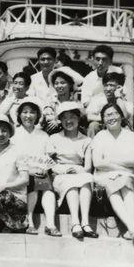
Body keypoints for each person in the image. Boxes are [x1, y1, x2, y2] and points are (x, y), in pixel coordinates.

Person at [91, 102, 134, 242]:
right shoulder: (100, 136)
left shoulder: (131, 136)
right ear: (103, 119)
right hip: (104, 175)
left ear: (121, 116)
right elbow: (98, 163)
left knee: (125, 183)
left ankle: (131, 229)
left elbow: (133, 160)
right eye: (107, 115)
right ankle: (133, 228)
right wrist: (122, 164)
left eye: (115, 113)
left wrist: (109, 161)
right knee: (113, 185)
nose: (111, 117)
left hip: (127, 175)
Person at [12, 97, 61, 237]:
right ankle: (30, 222)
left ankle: (50, 224)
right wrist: (28, 170)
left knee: (47, 189)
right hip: (20, 172)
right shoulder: (14, 134)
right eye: (25, 112)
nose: (28, 116)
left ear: (37, 115)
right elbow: (11, 158)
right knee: (32, 182)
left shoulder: (43, 135)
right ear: (19, 115)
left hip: (41, 172)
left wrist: (45, 168)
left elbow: (50, 157)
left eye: (32, 112)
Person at [50, 102, 97, 239]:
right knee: (71, 183)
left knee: (87, 179)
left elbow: (88, 167)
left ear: (78, 118)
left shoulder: (86, 140)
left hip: (80, 172)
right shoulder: (54, 138)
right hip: (60, 173)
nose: (68, 121)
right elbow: (50, 163)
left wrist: (77, 170)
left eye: (72, 117)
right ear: (60, 120)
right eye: (64, 118)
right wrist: (63, 170)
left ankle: (85, 223)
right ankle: (75, 223)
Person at [86, 71, 133, 138]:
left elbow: (125, 117)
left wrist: (118, 97)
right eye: (106, 85)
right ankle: (91, 144)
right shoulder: (97, 99)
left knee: (127, 128)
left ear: (119, 87)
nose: (107, 89)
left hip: (118, 128)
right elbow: (89, 116)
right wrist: (108, 119)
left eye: (111, 85)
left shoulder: (125, 102)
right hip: (102, 126)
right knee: (93, 125)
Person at [43, 67, 84, 135]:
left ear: (70, 84)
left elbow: (80, 118)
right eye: (56, 83)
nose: (59, 86)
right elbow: (48, 116)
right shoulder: (51, 100)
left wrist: (59, 122)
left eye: (62, 83)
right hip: (54, 132)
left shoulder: (75, 101)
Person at [81, 45, 124, 109]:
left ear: (110, 61)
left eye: (104, 59)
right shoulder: (88, 78)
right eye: (97, 59)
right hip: (95, 112)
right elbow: (85, 103)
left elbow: (122, 96)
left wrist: (95, 100)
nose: (100, 63)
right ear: (93, 60)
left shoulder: (117, 72)